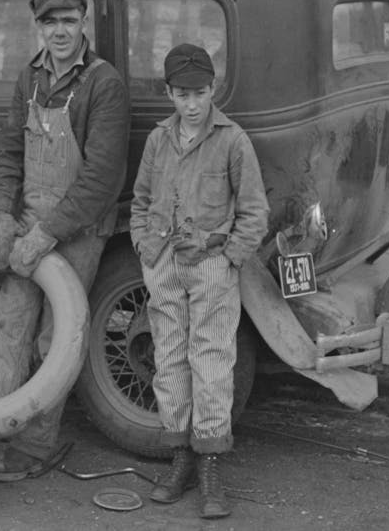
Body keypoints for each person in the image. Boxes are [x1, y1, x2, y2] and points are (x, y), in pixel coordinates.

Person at [0, 0, 130, 479]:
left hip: (79, 231)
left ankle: (35, 446)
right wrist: (1, 214)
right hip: (27, 222)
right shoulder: (30, 78)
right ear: (38, 25)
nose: (60, 31)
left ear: (84, 20)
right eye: (50, 22)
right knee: (9, 327)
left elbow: (101, 178)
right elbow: (9, 155)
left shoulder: (104, 83)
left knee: (54, 337)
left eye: (69, 20)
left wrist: (50, 233)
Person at [129, 43, 269, 519]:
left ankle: (210, 464)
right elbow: (140, 199)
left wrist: (229, 257)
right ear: (169, 93)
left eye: (202, 92)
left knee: (210, 359)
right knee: (168, 357)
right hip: (163, 264)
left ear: (213, 90)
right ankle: (180, 459)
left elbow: (254, 211)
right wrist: (145, 246)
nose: (193, 103)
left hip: (210, 266)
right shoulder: (157, 141)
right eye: (183, 94)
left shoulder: (233, 140)